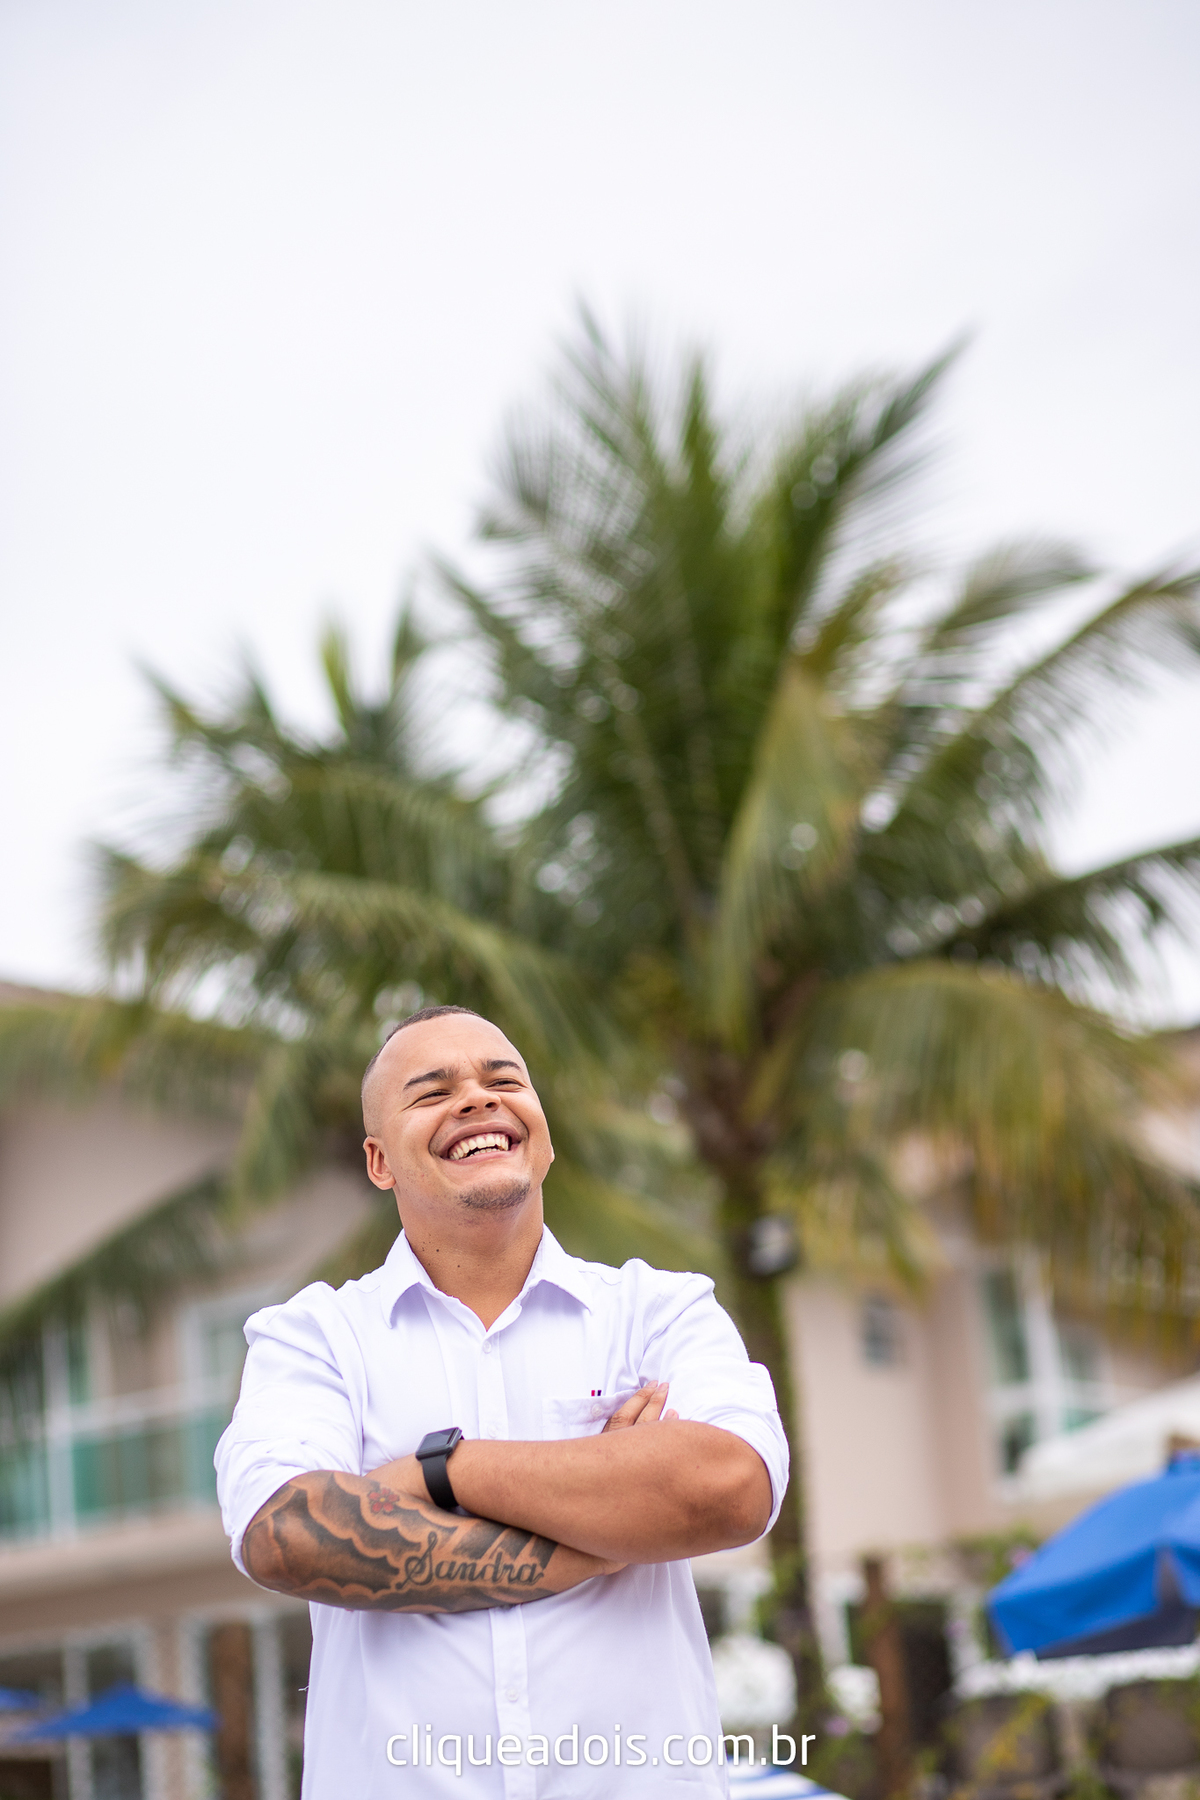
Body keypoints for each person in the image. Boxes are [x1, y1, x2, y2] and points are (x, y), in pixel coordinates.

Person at [216, 1004, 789, 1798]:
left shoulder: (660, 1310)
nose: (478, 1100)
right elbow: (287, 1531)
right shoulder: (312, 1336)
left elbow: (733, 1489)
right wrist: (613, 1525)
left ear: (543, 1136)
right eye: (432, 1091)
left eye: (503, 1080)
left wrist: (441, 1472)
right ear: (379, 1162)